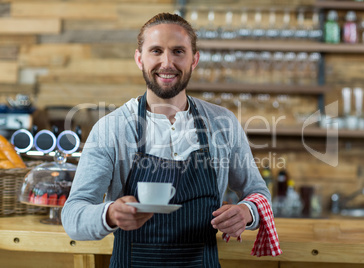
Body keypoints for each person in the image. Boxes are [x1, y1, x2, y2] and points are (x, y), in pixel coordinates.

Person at [62, 13, 281, 267]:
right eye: (156, 51)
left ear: (194, 59)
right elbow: (72, 215)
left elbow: (258, 193)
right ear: (139, 58)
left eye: (178, 51)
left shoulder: (223, 123)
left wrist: (247, 212)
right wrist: (109, 214)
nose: (167, 63)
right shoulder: (112, 128)